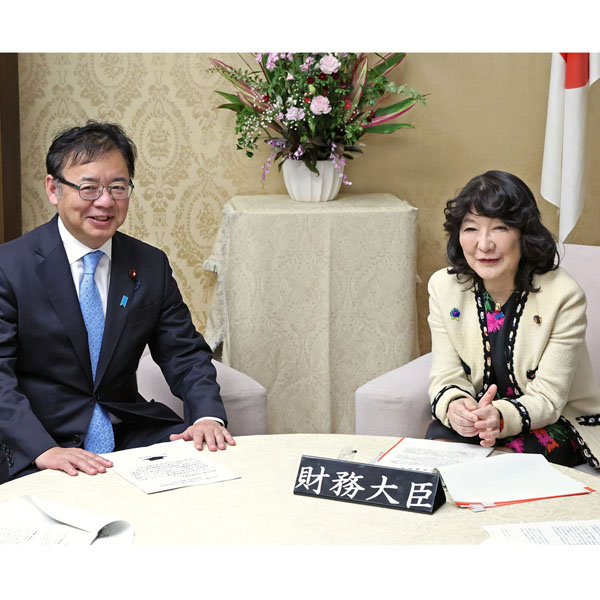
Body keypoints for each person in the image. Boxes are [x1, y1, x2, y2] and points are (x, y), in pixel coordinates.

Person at [0, 121, 235, 482]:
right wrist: (43, 450)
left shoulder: (150, 264)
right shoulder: (9, 267)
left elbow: (184, 354)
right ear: (53, 189)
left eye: (118, 187)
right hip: (41, 441)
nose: (106, 201)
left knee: (211, 480)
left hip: (128, 432)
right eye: (89, 188)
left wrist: (207, 416)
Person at [426, 170, 600, 469]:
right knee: (438, 447)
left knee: (496, 465)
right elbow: (446, 375)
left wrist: (500, 417)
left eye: (500, 228)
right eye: (471, 229)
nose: (483, 244)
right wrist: (457, 407)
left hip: (552, 420)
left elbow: (549, 398)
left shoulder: (563, 295)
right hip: (480, 418)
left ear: (523, 232)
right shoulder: (444, 287)